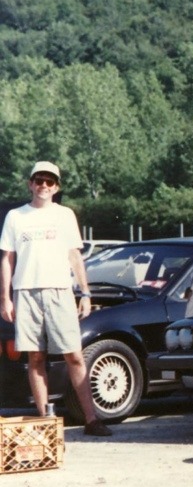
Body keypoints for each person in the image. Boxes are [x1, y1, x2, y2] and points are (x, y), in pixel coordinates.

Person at [0, 161, 112, 436]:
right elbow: (7, 258)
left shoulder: (65, 215)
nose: (44, 186)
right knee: (35, 358)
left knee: (73, 354)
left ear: (56, 187)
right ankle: (44, 419)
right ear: (30, 183)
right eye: (39, 180)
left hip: (60, 292)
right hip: (26, 292)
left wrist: (85, 293)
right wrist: (6, 297)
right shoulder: (16, 217)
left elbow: (75, 256)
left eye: (50, 182)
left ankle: (91, 419)